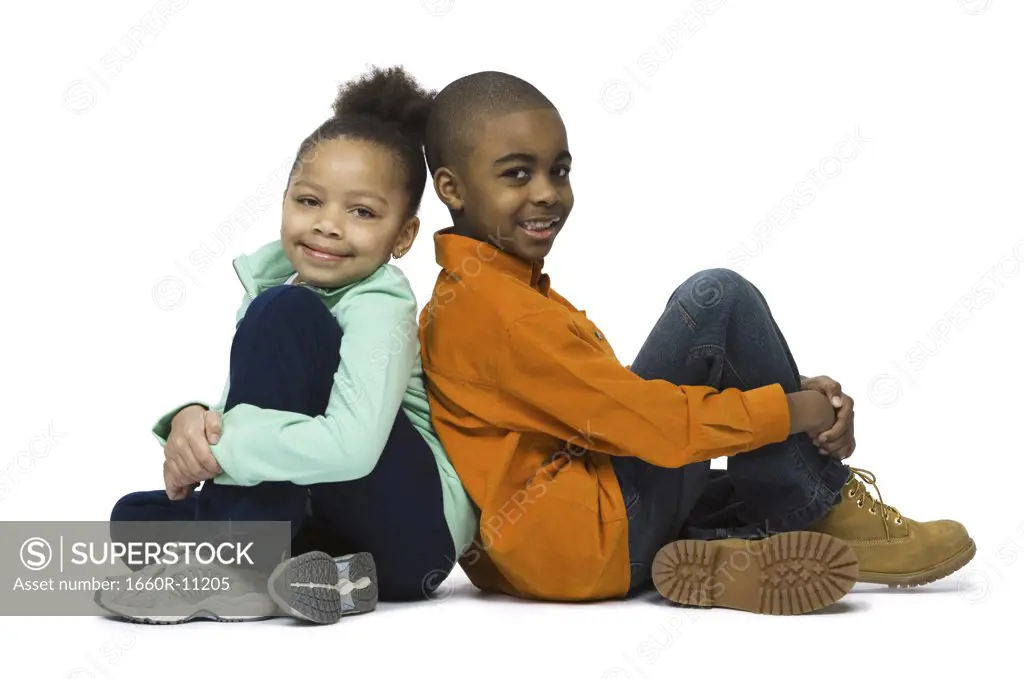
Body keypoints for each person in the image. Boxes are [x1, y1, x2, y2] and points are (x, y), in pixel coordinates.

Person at [415, 70, 975, 614]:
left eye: (559, 171)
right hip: (597, 543)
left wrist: (783, 388)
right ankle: (818, 509)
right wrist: (795, 411)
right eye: (517, 174)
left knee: (732, 478)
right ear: (452, 188)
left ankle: (722, 553)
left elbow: (595, 404)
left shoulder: (475, 293)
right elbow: (648, 422)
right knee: (716, 299)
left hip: (536, 559)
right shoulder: (502, 314)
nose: (548, 193)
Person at [99, 65, 476, 625]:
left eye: (362, 212)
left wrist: (222, 449)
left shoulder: (380, 302)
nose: (327, 225)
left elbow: (352, 447)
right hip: (345, 524)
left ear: (402, 236)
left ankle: (236, 571)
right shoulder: (277, 290)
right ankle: (334, 576)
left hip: (414, 527)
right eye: (309, 201)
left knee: (285, 315)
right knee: (134, 521)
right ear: (284, 200)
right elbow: (251, 412)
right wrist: (194, 422)